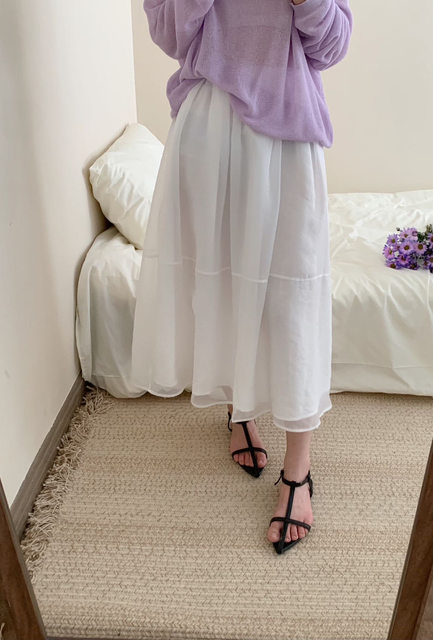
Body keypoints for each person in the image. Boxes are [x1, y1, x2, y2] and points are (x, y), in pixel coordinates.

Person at [131, 0, 353, 554]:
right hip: (208, 127)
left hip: (289, 129)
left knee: (293, 298)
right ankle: (239, 408)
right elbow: (170, 33)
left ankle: (298, 471)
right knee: (223, 286)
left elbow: (331, 45)